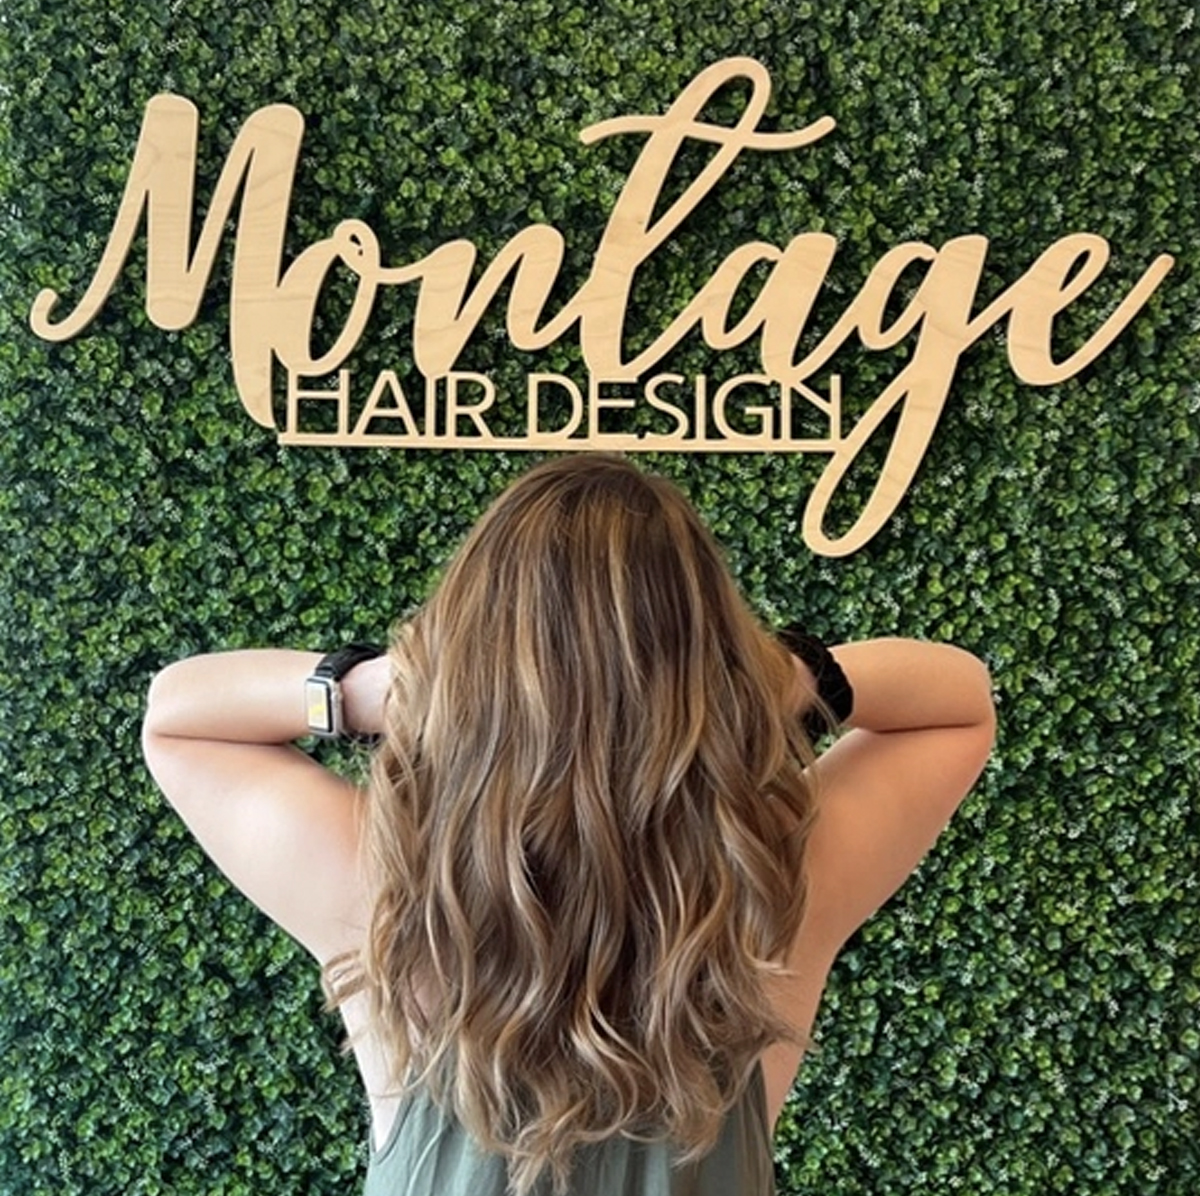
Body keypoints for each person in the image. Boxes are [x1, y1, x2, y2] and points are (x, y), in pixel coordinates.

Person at [142, 454, 995, 1195]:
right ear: (713, 652)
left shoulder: (384, 883)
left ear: (467, 650)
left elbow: (179, 718)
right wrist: (779, 678)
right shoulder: (773, 878)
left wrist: (385, 688)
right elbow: (958, 703)